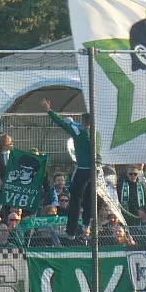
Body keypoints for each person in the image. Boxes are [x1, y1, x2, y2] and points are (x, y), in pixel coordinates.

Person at [44, 98, 93, 239]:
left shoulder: (79, 133)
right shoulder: (95, 133)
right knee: (89, 199)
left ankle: (70, 231)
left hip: (83, 169)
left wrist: (49, 110)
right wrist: (71, 122)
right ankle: (86, 225)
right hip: (95, 170)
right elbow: (75, 124)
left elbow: (61, 123)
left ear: (83, 122)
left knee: (76, 199)